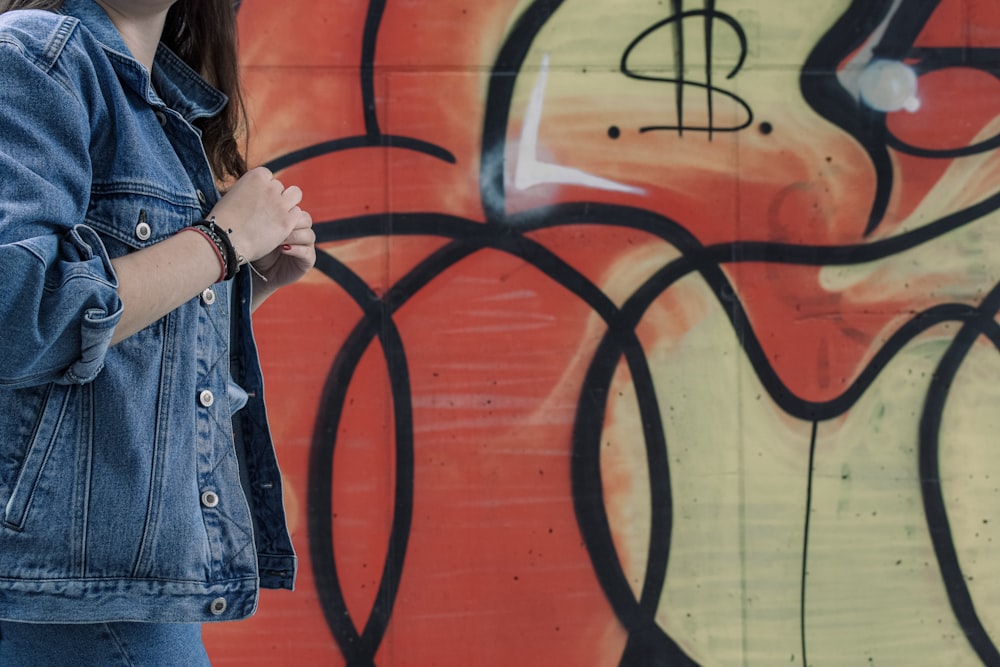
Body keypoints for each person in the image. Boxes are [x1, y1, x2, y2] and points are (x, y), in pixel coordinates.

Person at [0, 0, 315, 663]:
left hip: (109, 580)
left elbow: (122, 348)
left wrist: (245, 282)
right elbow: (19, 312)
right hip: (74, 589)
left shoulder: (159, 104)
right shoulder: (36, 56)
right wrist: (222, 242)